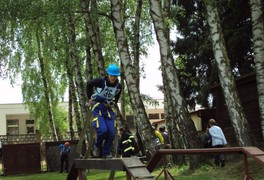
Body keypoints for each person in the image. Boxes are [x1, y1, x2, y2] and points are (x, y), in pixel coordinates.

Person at [86, 64, 122, 159]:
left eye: (115, 76)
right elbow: (89, 83)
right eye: (111, 75)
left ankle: (106, 153)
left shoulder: (119, 86)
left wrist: (114, 102)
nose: (113, 78)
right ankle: (97, 146)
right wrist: (89, 98)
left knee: (111, 133)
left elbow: (117, 95)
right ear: (107, 74)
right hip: (98, 106)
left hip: (108, 108)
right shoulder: (101, 81)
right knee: (103, 130)